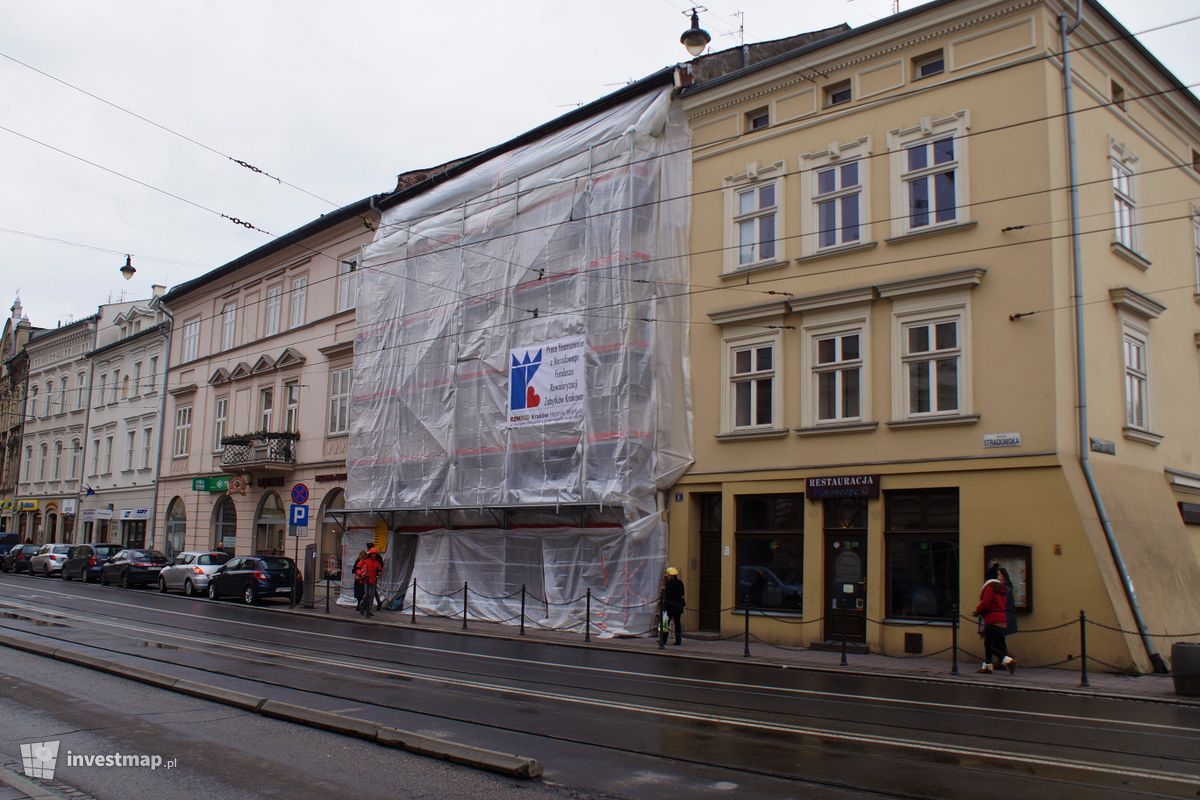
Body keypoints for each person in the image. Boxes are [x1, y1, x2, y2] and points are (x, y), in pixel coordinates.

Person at [975, 563, 1016, 674]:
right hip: (1001, 619)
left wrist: (977, 610)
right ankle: (988, 667)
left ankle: (1007, 660)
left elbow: (986, 603)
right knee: (990, 644)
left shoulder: (990, 587)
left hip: (992, 620)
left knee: (989, 645)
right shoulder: (1002, 588)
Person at [660, 566, 686, 646]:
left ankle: (663, 640)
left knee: (665, 623)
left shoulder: (668, 583)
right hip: (678, 606)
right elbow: (682, 593)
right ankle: (678, 641)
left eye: (667, 575)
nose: (666, 576)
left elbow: (667, 595)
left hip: (669, 606)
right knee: (677, 623)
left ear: (670, 575)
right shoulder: (680, 582)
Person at [355, 545, 383, 617]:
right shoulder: (364, 560)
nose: (374, 555)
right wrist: (361, 574)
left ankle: (368, 610)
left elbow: (380, 570)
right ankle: (362, 607)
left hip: (373, 580)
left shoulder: (376, 562)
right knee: (367, 595)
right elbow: (357, 568)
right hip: (366, 580)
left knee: (371, 596)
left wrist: (379, 573)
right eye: (373, 554)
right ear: (370, 554)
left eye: (375, 554)